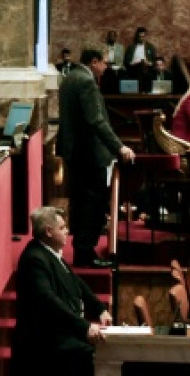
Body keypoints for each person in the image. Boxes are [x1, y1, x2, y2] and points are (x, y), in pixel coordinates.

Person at [12, 206, 114, 376]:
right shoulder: (34, 259)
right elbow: (48, 300)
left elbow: (77, 282)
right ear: (48, 231)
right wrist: (84, 327)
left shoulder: (49, 252)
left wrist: (100, 309)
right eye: (62, 228)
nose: (67, 231)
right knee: (96, 354)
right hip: (44, 342)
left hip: (60, 333)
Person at [58, 49, 135, 268]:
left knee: (82, 202)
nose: (106, 68)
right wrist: (119, 147)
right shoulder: (86, 82)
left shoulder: (70, 78)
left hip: (75, 152)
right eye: (104, 63)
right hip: (89, 153)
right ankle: (85, 253)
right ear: (94, 62)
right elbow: (96, 121)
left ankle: (82, 250)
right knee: (93, 202)